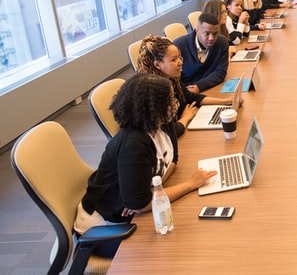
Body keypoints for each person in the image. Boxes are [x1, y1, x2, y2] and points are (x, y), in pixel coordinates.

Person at [73, 73, 217, 254]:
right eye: (169, 100)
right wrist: (190, 184)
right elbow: (140, 205)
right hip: (106, 228)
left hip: (133, 210)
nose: (175, 103)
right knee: (180, 251)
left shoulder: (161, 123)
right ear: (153, 108)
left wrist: (154, 191)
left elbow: (173, 160)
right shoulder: (133, 143)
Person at [136, 35, 234, 137]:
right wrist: (185, 118)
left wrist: (225, 101)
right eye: (174, 60)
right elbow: (165, 134)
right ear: (157, 65)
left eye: (179, 57)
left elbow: (191, 97)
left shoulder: (172, 80)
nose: (180, 62)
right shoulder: (152, 93)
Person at [173, 12, 229, 93]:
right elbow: (173, 79)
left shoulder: (222, 42)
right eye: (207, 33)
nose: (211, 38)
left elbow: (220, 72)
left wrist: (199, 86)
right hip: (186, 92)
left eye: (215, 33)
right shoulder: (178, 46)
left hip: (209, 89)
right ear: (197, 30)